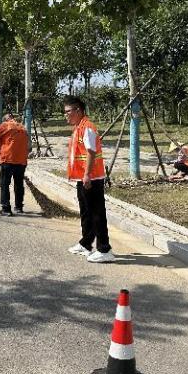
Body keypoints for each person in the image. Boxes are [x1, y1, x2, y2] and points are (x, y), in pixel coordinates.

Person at [63, 96, 114, 263]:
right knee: (86, 212)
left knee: (97, 213)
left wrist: (87, 175)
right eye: (65, 112)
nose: (66, 115)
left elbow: (91, 152)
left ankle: (104, 249)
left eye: (68, 111)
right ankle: (86, 244)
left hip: (91, 178)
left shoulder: (87, 127)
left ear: (78, 110)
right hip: (83, 177)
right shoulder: (79, 127)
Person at [0, 113, 29, 216]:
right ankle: (19, 207)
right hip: (21, 161)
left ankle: (6, 209)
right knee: (19, 184)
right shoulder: (22, 127)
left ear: (5, 120)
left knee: (4, 184)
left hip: (8, 160)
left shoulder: (6, 125)